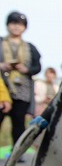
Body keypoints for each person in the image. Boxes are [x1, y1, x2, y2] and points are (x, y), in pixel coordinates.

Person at [0, 12, 42, 145]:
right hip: (2, 88)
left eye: (20, 24)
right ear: (7, 25)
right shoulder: (1, 42)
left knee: (18, 122)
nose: (16, 27)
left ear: (24, 27)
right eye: (13, 23)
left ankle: (17, 152)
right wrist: (2, 65)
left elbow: (37, 67)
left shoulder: (30, 47)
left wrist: (26, 69)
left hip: (22, 91)